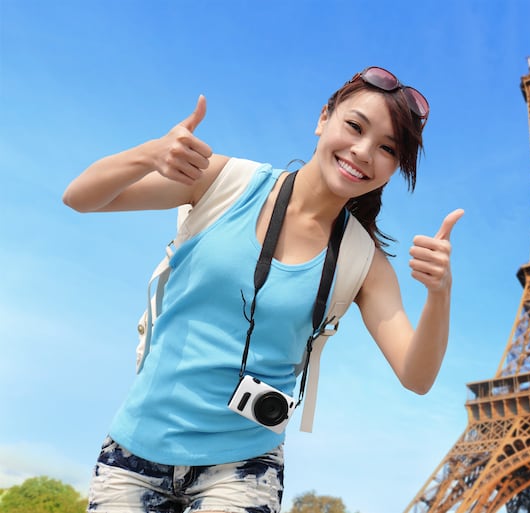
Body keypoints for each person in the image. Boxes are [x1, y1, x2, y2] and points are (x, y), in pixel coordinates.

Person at [63, 66, 463, 513]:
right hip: (133, 452)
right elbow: (80, 197)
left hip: (243, 468)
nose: (363, 151)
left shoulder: (364, 262)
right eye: (354, 126)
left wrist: (439, 293)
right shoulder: (224, 182)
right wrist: (149, 155)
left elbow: (417, 375)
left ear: (393, 170)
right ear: (323, 118)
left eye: (388, 149)